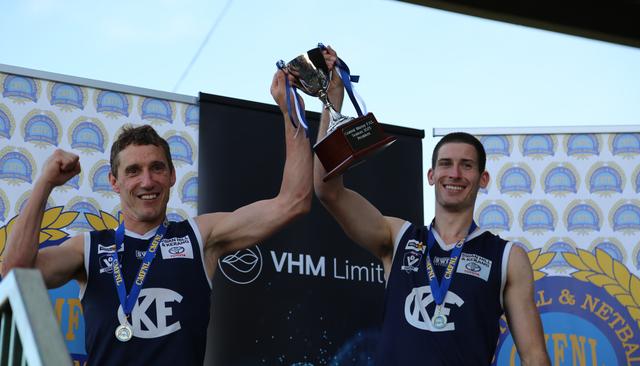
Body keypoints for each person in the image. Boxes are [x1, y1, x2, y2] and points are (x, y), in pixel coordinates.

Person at [0, 70, 312, 365]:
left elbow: (293, 202)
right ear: (114, 181)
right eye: (133, 171)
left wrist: (290, 110)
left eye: (157, 168)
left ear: (173, 175)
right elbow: (14, 274)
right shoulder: (89, 248)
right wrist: (44, 184)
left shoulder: (200, 236)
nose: (147, 182)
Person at [312, 47, 550, 365]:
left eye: (466, 166)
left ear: (483, 178)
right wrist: (334, 98)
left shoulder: (507, 257)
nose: (454, 173)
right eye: (446, 164)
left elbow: (534, 356)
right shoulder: (398, 238)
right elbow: (327, 189)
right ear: (431, 175)